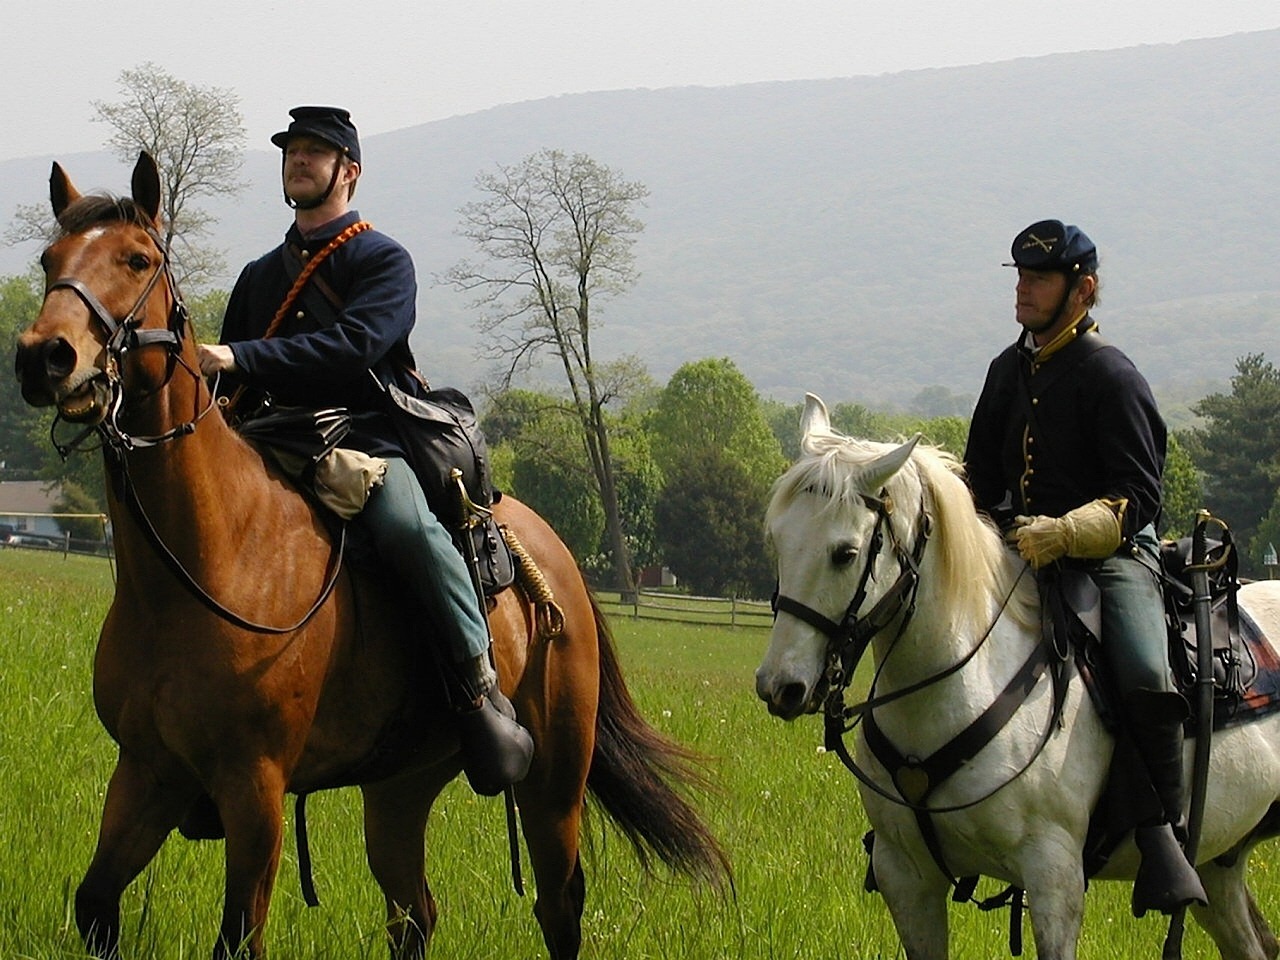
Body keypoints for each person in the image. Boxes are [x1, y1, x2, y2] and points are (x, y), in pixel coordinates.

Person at [197, 106, 532, 796]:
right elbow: (227, 383)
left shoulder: (382, 259)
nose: (299, 160)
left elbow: (353, 349)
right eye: (292, 150)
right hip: (267, 441)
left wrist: (239, 355)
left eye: (316, 152)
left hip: (359, 438)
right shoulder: (260, 275)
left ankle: (477, 692)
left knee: (410, 529)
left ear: (348, 171)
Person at [962, 219, 1207, 916]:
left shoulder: (1112, 375)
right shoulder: (1005, 371)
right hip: (1016, 551)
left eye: (1037, 279)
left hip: (1112, 559)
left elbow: (1140, 498)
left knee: (1143, 669)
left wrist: (1067, 531)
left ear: (1083, 290)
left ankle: (1164, 839)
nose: (1022, 290)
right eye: (1018, 277)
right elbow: (979, 476)